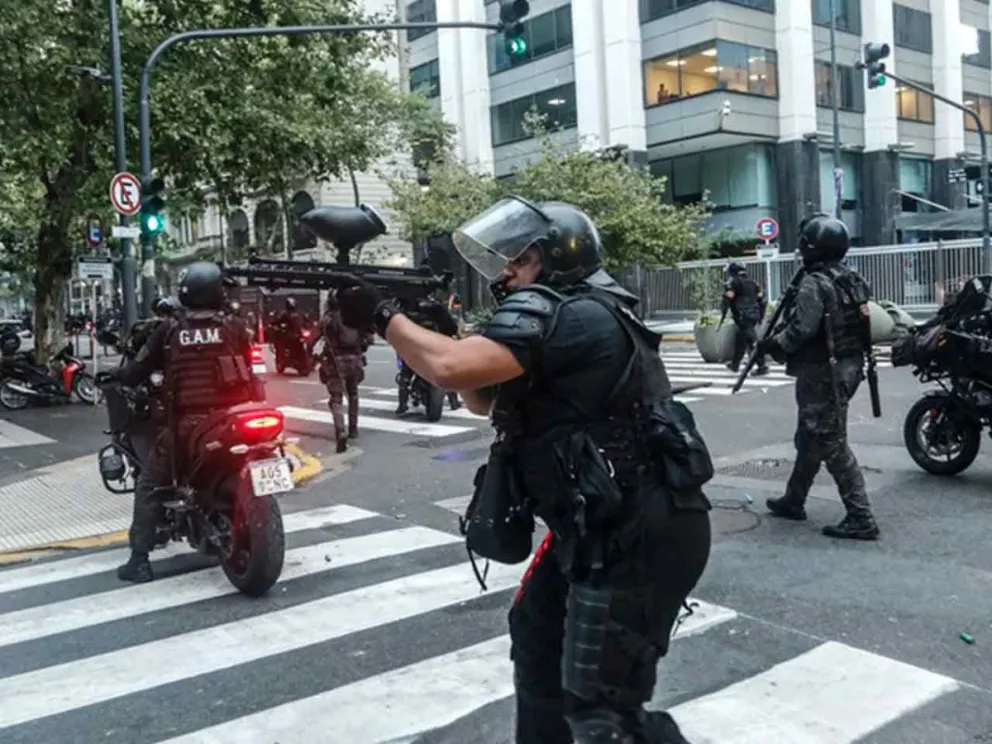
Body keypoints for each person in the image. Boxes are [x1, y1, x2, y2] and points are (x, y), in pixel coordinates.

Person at [328, 196, 711, 743]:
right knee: (536, 638)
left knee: (601, 709)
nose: (505, 271)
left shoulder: (576, 314)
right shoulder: (567, 311)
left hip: (638, 535)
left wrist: (384, 316)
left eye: (520, 259)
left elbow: (448, 366)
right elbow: (480, 395)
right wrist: (431, 325)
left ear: (558, 258)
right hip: (596, 526)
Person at [96, 261, 262, 583]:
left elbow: (136, 371)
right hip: (236, 417)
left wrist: (118, 375)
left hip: (190, 424)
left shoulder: (171, 330)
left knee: (149, 485)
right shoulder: (235, 326)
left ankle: (139, 560)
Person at [760, 215, 880, 540]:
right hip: (849, 365)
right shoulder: (852, 278)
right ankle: (793, 499)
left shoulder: (815, 282)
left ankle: (861, 516)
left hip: (823, 370)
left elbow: (802, 328)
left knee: (829, 440)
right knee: (809, 435)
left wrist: (774, 345)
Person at [319, 292, 368, 453]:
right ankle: (353, 429)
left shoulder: (327, 320)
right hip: (355, 361)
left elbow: (311, 340)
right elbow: (367, 340)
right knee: (353, 394)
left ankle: (341, 431)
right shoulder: (354, 318)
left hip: (336, 362)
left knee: (336, 399)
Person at [718, 261, 768, 375]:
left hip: (743, 316)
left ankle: (762, 365)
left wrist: (723, 309)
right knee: (740, 339)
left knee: (752, 340)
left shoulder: (734, 282)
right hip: (754, 315)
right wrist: (760, 315)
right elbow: (762, 299)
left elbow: (728, 298)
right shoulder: (753, 283)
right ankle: (735, 365)